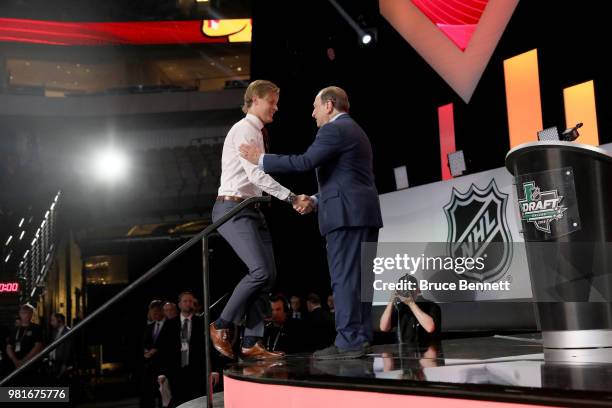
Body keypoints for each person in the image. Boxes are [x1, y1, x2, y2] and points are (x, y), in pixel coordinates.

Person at [240, 86, 383, 359]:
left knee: (345, 279)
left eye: (316, 106)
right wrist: (315, 201)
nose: (313, 113)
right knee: (361, 280)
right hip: (361, 214)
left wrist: (259, 159)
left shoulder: (334, 129)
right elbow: (345, 179)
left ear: (329, 105)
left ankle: (349, 341)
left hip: (345, 217)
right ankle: (360, 336)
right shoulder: (355, 129)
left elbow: (304, 162)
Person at [209, 80, 310, 361]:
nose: (276, 108)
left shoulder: (258, 132)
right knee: (260, 272)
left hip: (252, 209)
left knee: (268, 275)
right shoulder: (244, 129)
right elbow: (257, 176)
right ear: (255, 99)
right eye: (272, 102)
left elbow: (257, 179)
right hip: (232, 209)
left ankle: (251, 342)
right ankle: (221, 324)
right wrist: (292, 198)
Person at [379, 275, 441, 344]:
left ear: (418, 290)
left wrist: (411, 304)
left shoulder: (432, 306)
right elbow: (384, 328)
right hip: (405, 351)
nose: (409, 292)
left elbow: (430, 328)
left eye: (411, 288)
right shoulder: (400, 308)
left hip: (428, 349)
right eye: (405, 289)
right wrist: (391, 301)